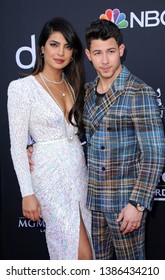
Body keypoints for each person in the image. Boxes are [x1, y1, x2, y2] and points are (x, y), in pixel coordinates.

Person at [7, 17, 93, 260]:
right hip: (49, 175)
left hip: (78, 173)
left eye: (67, 46)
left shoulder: (74, 85)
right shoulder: (22, 88)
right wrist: (27, 193)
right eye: (54, 44)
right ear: (42, 47)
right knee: (77, 253)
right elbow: (17, 145)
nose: (61, 52)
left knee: (88, 249)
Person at [82, 19, 165, 259]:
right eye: (98, 53)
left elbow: (154, 153)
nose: (105, 60)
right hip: (94, 201)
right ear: (89, 55)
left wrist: (137, 204)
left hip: (125, 203)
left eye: (110, 51)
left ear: (121, 50)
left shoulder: (139, 91)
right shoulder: (86, 92)